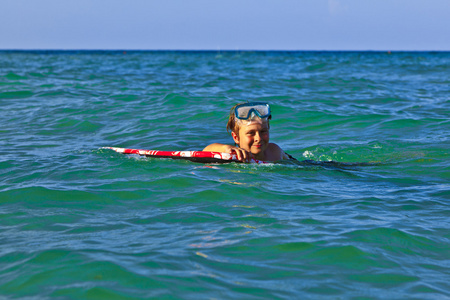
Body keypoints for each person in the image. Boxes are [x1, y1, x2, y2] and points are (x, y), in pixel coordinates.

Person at [203, 102, 291, 162]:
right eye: (251, 133)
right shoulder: (231, 155)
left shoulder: (274, 152)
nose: (258, 138)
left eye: (263, 131)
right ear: (236, 137)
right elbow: (205, 151)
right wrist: (225, 149)